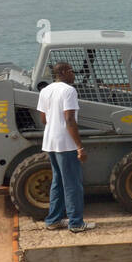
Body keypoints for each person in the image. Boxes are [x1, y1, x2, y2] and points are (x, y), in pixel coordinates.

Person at [36, 61, 96, 233]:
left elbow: (43, 119)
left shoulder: (45, 91)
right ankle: (76, 223)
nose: (74, 74)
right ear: (62, 72)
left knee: (58, 182)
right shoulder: (69, 91)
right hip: (66, 144)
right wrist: (79, 147)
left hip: (50, 142)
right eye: (71, 71)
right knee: (73, 184)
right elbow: (70, 119)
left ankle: (53, 220)